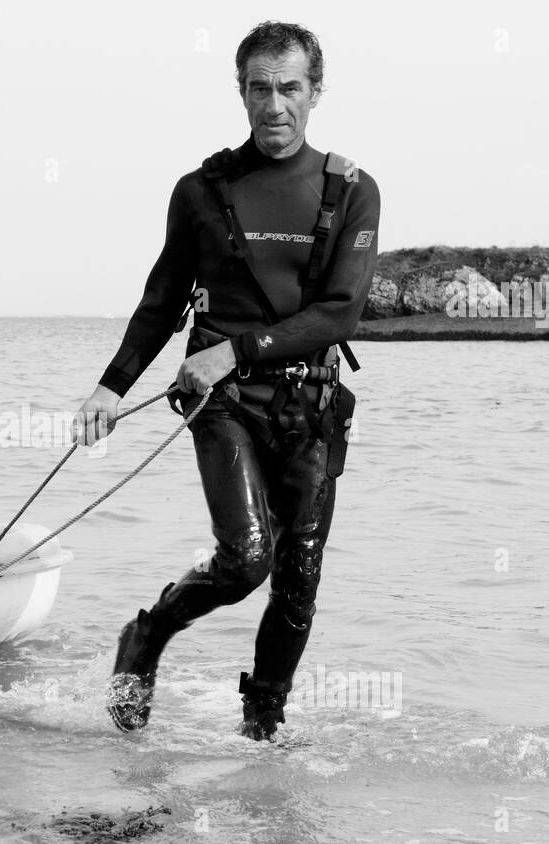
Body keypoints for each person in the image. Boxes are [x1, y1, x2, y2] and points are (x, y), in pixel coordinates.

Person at [72, 21, 380, 740]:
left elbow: (340, 312)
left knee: (299, 581)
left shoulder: (353, 190)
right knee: (246, 561)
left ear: (316, 92)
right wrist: (109, 389)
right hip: (223, 404)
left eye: (290, 88)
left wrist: (234, 349)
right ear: (241, 91)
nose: (275, 106)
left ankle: (262, 730)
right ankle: (147, 634)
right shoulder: (201, 192)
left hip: (311, 405)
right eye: (259, 88)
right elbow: (160, 302)